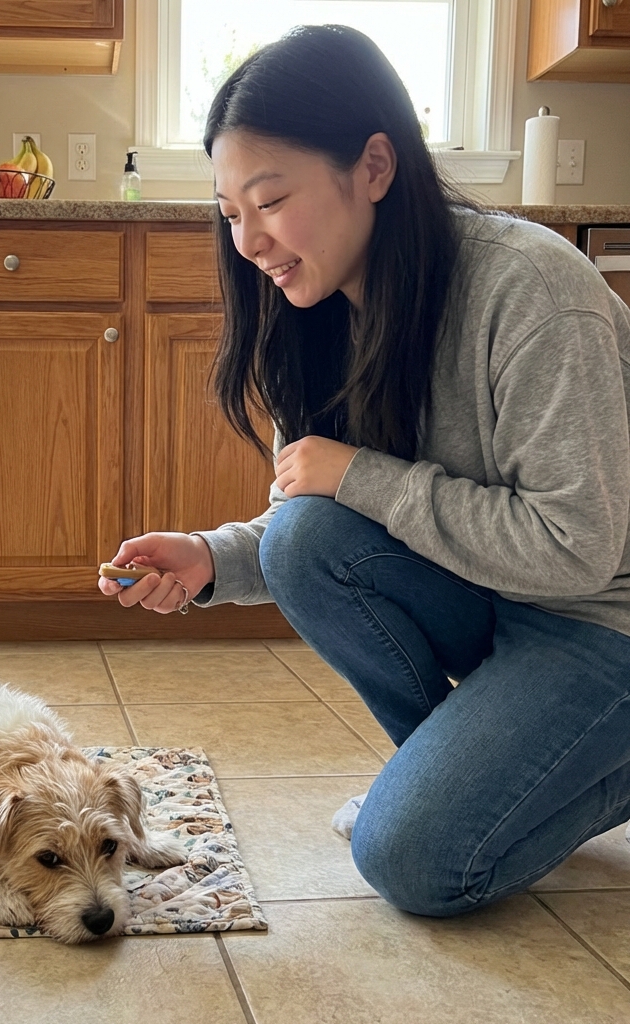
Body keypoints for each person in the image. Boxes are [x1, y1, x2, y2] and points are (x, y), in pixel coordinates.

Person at [98, 24, 630, 918]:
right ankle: (453, 783)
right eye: (230, 215)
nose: (250, 242)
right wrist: (211, 558)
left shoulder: (533, 290)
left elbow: (574, 552)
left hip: (599, 618)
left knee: (415, 865)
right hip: (490, 593)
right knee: (305, 540)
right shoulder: (305, 320)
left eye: (269, 201)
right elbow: (319, 505)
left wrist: (358, 473)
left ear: (374, 167)